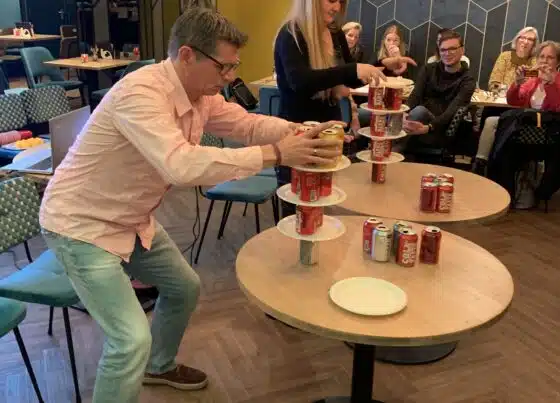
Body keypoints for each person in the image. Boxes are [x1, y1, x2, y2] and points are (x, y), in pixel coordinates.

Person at [39, 9, 343, 403]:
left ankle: (158, 366)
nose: (230, 77)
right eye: (224, 66)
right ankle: (143, 363)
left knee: (184, 288)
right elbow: (179, 165)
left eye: (233, 67)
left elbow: (247, 124)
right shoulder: (141, 93)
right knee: (130, 340)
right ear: (187, 55)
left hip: (130, 217)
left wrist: (297, 130)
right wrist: (277, 153)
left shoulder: (201, 94)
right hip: (80, 225)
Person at [273, 0, 415, 217]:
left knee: (325, 205)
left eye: (341, 2)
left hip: (330, 131)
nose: (337, 8)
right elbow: (300, 81)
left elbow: (350, 77)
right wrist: (351, 70)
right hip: (298, 132)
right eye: (331, 0)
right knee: (297, 210)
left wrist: (382, 66)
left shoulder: (334, 33)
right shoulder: (290, 34)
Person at [473, 40, 560, 173]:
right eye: (541, 57)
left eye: (550, 57)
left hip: (551, 128)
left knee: (508, 127)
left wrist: (550, 83)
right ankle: (481, 163)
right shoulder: (533, 77)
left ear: (558, 62)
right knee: (491, 121)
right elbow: (513, 101)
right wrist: (517, 83)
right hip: (527, 124)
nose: (544, 61)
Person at [402, 30, 476, 153]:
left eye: (452, 49)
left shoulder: (468, 79)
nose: (447, 53)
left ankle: (392, 150)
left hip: (441, 127)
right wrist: (404, 112)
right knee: (376, 114)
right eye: (443, 50)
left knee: (419, 111)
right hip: (418, 118)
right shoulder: (428, 69)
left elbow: (452, 111)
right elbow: (415, 95)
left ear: (462, 50)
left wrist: (429, 127)